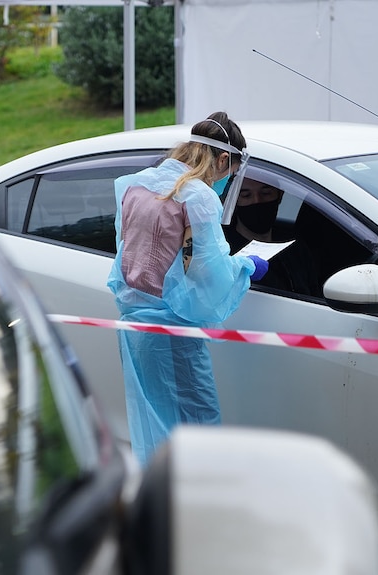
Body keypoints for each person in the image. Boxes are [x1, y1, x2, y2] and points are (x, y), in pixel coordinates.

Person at [106, 111, 269, 465]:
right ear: (224, 159)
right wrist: (246, 266)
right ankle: (195, 510)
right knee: (197, 429)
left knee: (155, 428)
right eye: (231, 170)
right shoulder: (197, 196)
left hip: (135, 329)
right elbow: (210, 273)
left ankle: (161, 508)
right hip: (173, 331)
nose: (227, 180)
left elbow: (130, 254)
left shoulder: (140, 185)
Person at [223, 177, 319, 296]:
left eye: (266, 193)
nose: (257, 200)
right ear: (234, 201)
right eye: (246, 195)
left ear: (280, 195)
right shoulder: (225, 251)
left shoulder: (295, 247)